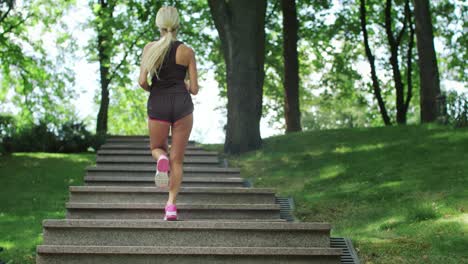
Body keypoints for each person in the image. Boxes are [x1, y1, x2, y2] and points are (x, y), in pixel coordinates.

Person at [138, 6, 199, 221]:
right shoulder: (187, 51)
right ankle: (171, 206)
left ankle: (161, 158)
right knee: (178, 160)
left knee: (156, 147)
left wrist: (154, 90)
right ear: (178, 25)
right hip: (182, 106)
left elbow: (143, 81)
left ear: (158, 25)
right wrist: (182, 83)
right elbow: (194, 89)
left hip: (159, 103)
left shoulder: (150, 48)